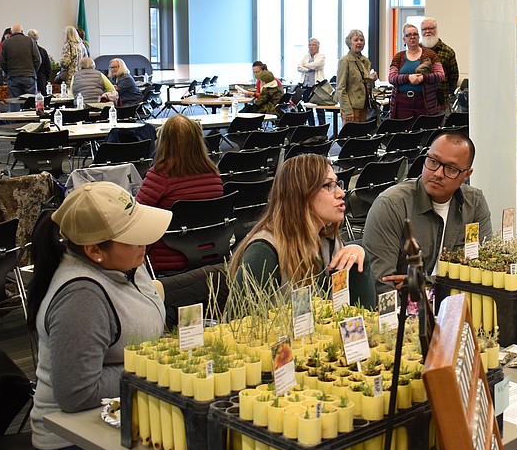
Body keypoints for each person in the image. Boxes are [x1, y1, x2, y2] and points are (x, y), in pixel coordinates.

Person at [28, 182, 219, 450]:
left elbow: (146, 321)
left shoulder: (126, 265)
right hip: (72, 441)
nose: (145, 245)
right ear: (94, 250)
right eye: (133, 239)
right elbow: (76, 394)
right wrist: (157, 367)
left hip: (126, 415)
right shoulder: (81, 296)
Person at [227, 154, 375, 307]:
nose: (341, 193)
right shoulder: (264, 251)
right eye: (328, 186)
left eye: (337, 184)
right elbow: (234, 323)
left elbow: (364, 316)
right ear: (301, 194)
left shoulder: (328, 241)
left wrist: (360, 258)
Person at [363, 132, 491, 292]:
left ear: (466, 174)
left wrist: (424, 281)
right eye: (433, 161)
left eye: (450, 169)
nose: (437, 174)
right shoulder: (391, 204)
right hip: (406, 310)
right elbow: (382, 283)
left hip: (455, 303)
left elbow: (481, 268)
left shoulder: (474, 203)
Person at [135, 114, 223, 273]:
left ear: (163, 142)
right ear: (197, 141)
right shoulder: (214, 174)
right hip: (211, 252)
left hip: (169, 258)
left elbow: (136, 214)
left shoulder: (160, 175)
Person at [388, 23, 445, 119]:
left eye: (415, 34)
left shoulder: (430, 54)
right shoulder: (399, 57)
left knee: (423, 132)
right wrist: (408, 78)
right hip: (402, 105)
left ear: (419, 37)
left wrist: (424, 78)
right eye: (408, 35)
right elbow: (392, 78)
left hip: (425, 103)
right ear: (404, 40)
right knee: (404, 133)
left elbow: (440, 75)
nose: (412, 37)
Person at [0, 23, 41, 111]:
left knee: (14, 102)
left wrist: (8, 72)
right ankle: (31, 122)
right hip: (29, 76)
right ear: (22, 31)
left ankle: (15, 123)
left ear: (11, 32)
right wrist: (33, 71)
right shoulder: (30, 41)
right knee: (31, 102)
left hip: (13, 76)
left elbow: (2, 62)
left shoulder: (6, 43)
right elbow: (38, 60)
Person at [420, 18, 459, 113]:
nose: (427, 31)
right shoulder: (415, 51)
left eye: (431, 28)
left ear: (436, 29)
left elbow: (453, 78)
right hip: (419, 102)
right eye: (424, 29)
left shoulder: (448, 51)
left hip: (440, 103)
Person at [337, 28, 374, 123]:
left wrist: (372, 80)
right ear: (349, 43)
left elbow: (366, 84)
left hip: (364, 107)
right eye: (356, 40)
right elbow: (340, 89)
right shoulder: (345, 61)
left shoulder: (365, 61)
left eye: (361, 40)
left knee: (362, 137)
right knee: (352, 137)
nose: (359, 42)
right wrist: (347, 111)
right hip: (351, 108)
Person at [29, 28, 53, 98]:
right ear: (38, 38)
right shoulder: (43, 51)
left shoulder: (26, 52)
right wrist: (45, 78)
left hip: (30, 78)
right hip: (41, 79)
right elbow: (48, 68)